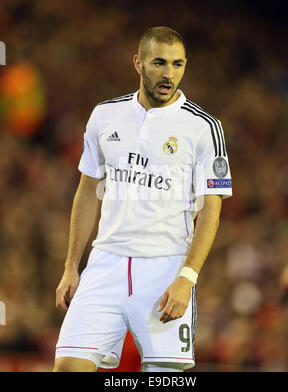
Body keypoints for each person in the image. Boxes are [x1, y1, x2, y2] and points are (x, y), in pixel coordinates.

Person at [53, 26, 233, 372]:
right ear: (138, 63)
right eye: (159, 63)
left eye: (178, 65)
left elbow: (211, 211)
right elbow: (87, 191)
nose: (169, 74)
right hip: (105, 263)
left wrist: (187, 278)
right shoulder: (105, 116)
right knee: (67, 368)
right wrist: (71, 266)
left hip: (164, 269)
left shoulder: (204, 127)